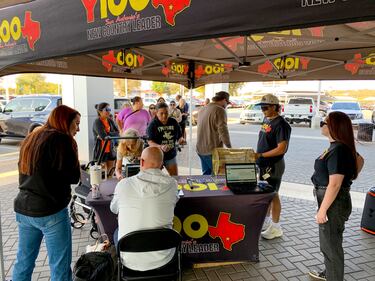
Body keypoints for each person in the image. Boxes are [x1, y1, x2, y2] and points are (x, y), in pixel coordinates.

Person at [13, 105, 81, 281]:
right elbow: (73, 177)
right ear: (64, 122)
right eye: (76, 124)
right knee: (59, 266)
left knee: (23, 262)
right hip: (51, 212)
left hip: (24, 208)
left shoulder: (32, 137)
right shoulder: (63, 140)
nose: (78, 129)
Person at [308, 112, 364, 281]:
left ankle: (334, 277)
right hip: (334, 200)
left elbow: (335, 184)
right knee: (331, 243)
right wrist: (351, 175)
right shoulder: (338, 146)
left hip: (333, 202)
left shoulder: (339, 149)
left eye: (325, 122)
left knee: (330, 246)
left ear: (333, 127)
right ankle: (331, 273)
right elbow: (360, 160)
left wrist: (322, 210)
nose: (322, 125)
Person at [110, 146, 179, 271]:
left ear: (141, 162)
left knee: (116, 232)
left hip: (129, 258)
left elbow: (113, 209)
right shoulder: (172, 184)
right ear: (162, 165)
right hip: (163, 256)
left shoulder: (123, 184)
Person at [255, 94, 291, 240]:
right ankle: (268, 221)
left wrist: (261, 155)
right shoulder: (267, 119)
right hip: (264, 164)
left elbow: (281, 148)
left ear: (275, 107)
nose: (263, 110)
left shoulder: (282, 124)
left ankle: (276, 227)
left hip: (273, 166)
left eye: (266, 107)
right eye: (261, 107)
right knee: (265, 194)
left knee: (273, 194)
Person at [196, 91, 232, 175]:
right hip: (211, 151)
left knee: (207, 176)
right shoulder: (220, 110)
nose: (227, 106)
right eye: (227, 103)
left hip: (200, 149)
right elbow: (223, 131)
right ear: (224, 100)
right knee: (220, 176)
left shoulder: (203, 108)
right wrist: (229, 147)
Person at [147, 102, 184, 176]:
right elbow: (150, 142)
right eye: (161, 113)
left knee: (174, 177)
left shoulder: (173, 122)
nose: (164, 116)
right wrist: (160, 146)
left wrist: (181, 140)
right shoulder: (152, 124)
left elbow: (180, 136)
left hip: (170, 155)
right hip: (156, 156)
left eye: (166, 113)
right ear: (156, 113)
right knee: (156, 178)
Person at [93, 102, 119, 176]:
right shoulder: (97, 121)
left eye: (109, 109)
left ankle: (108, 186)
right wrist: (110, 134)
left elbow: (117, 132)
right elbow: (103, 136)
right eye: (107, 109)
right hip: (101, 150)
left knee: (110, 172)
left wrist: (108, 134)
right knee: (102, 173)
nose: (109, 111)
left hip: (110, 149)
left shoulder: (109, 120)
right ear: (100, 111)